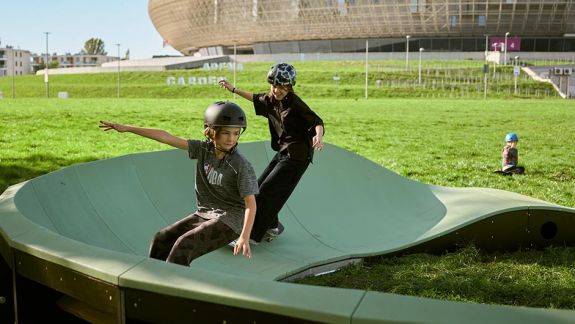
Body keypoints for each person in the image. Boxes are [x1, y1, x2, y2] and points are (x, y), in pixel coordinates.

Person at [99, 101, 259, 266]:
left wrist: (244, 236)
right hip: (205, 213)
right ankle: (152, 282)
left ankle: (172, 288)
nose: (231, 139)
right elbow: (166, 137)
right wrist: (128, 128)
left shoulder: (240, 165)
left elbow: (251, 205)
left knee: (184, 245)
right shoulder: (203, 149)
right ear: (211, 131)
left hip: (231, 221)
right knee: (161, 239)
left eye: (236, 133)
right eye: (226, 133)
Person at [219, 62, 325, 242]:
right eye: (275, 86)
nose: (277, 90)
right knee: (258, 188)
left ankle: (251, 235)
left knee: (268, 193)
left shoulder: (296, 104)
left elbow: (316, 121)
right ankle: (272, 226)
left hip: (298, 156)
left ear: (289, 86)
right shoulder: (270, 100)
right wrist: (233, 89)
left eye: (282, 87)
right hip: (284, 152)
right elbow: (254, 98)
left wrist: (318, 137)